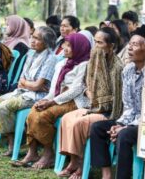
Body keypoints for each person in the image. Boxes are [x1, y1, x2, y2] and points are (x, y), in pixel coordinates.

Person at [12, 33, 91, 169]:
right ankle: (32, 152)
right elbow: (54, 88)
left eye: (70, 45)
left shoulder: (84, 65)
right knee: (33, 112)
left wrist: (51, 102)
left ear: (79, 48)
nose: (65, 48)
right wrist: (45, 100)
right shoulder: (62, 63)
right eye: (65, 44)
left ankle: (48, 154)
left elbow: (76, 89)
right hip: (57, 99)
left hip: (74, 102)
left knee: (43, 116)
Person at [58, 27, 123, 179]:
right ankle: (73, 161)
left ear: (111, 46)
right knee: (67, 118)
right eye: (95, 42)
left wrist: (96, 99)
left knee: (79, 123)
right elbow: (88, 85)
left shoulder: (117, 68)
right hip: (94, 107)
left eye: (99, 43)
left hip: (110, 113)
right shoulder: (94, 61)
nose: (95, 46)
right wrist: (89, 93)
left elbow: (117, 101)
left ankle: (81, 165)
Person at [89, 26, 145, 179]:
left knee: (125, 135)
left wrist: (125, 128)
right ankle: (106, 174)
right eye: (130, 43)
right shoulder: (127, 70)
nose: (129, 47)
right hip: (129, 119)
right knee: (97, 128)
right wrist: (120, 124)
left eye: (135, 44)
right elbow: (127, 105)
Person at [0, 26, 57, 156]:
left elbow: (38, 86)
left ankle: (13, 146)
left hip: (38, 96)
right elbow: (22, 80)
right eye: (33, 37)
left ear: (46, 42)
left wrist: (28, 84)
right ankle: (11, 142)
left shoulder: (50, 58)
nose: (33, 41)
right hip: (24, 91)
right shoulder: (30, 54)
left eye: (37, 39)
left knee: (4, 107)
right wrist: (28, 84)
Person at [4, 15, 30, 85]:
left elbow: (16, 68)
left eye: (7, 25)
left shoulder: (21, 45)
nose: (5, 27)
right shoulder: (9, 41)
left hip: (8, 81)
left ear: (16, 26)